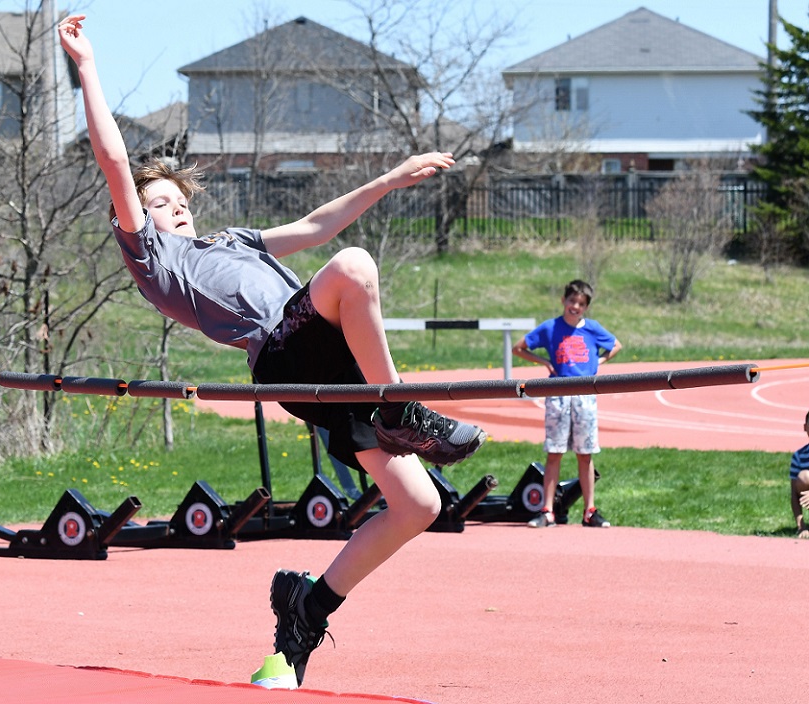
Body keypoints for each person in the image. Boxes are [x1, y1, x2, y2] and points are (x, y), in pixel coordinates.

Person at [58, 15, 487, 688]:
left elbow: (316, 224)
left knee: (418, 506)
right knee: (353, 268)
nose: (175, 212)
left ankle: (306, 610)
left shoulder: (234, 242)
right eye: (158, 205)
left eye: (177, 202)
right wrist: (85, 67)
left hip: (331, 358)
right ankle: (404, 411)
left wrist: (389, 180)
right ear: (139, 219)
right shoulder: (153, 258)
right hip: (284, 354)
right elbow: (114, 160)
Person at [512, 279, 621, 529]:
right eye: (572, 301)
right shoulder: (551, 328)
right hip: (558, 393)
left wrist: (599, 362)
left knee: (585, 453)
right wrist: (544, 362)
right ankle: (548, 511)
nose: (575, 307)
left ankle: (589, 511)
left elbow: (616, 345)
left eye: (581, 304)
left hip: (584, 395)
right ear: (563, 301)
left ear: (586, 307)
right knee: (555, 451)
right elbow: (519, 348)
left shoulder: (592, 329)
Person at [789, 410, 809, 539]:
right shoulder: (799, 456)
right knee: (803, 477)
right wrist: (801, 527)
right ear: (805, 427)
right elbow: (794, 494)